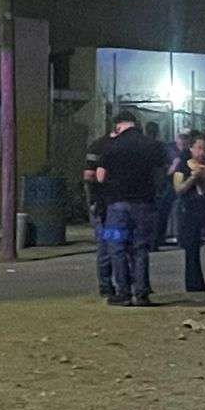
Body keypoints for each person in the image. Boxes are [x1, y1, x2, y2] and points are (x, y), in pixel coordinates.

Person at [95, 109, 170, 306]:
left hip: (116, 206)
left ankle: (123, 293)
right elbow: (163, 171)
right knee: (140, 248)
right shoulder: (152, 145)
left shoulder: (111, 145)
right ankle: (142, 293)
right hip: (145, 204)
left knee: (116, 247)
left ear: (118, 125)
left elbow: (100, 177)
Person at [171, 131, 205, 293]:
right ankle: (194, 285)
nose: (201, 152)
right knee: (191, 249)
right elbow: (178, 188)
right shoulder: (183, 165)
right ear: (191, 148)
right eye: (198, 148)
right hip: (190, 210)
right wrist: (192, 178)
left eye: (204, 148)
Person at [82, 124, 118, 298]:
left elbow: (88, 176)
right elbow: (89, 176)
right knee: (115, 243)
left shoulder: (97, 145)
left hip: (102, 204)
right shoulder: (108, 146)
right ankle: (119, 283)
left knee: (106, 244)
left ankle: (106, 285)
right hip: (110, 203)